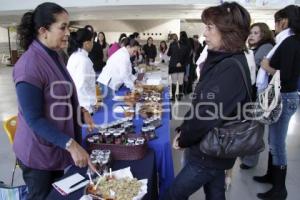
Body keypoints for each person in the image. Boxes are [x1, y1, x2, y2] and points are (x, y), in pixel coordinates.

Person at [163, 2, 251, 200]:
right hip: (214, 152)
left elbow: (205, 114)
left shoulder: (229, 67)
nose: (204, 34)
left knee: (171, 195)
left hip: (208, 154)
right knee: (215, 192)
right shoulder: (224, 60)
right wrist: (183, 127)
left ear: (228, 33)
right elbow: (201, 103)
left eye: (210, 27)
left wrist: (184, 137)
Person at [13, 3, 95, 200]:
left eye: (68, 27)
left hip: (55, 148)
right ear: (43, 31)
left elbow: (60, 95)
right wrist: (71, 145)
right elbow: (34, 119)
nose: (68, 33)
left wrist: (80, 110)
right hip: (37, 154)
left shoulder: (54, 54)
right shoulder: (29, 66)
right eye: (63, 27)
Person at [253, 5, 300, 200]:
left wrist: (267, 67)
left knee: (277, 143)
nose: (276, 26)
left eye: (277, 21)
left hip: (285, 97)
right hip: (283, 96)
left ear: (284, 21)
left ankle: (280, 190)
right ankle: (271, 176)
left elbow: (287, 77)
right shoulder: (289, 41)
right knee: (273, 141)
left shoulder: (290, 42)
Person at [240, 22, 275, 170]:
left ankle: (250, 160)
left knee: (255, 129)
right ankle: (247, 156)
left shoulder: (265, 47)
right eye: (251, 33)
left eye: (255, 33)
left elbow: (251, 68)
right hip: (255, 95)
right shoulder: (257, 48)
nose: (251, 35)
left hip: (259, 97)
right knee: (251, 127)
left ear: (264, 34)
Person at [67, 28, 97, 122]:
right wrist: (89, 106)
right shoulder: (83, 60)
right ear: (86, 43)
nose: (93, 44)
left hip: (77, 104)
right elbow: (81, 86)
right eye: (92, 41)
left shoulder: (74, 56)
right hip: (84, 106)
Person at [167, 33, 189, 101]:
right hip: (181, 66)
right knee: (180, 82)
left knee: (173, 81)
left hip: (173, 65)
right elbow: (186, 56)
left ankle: (173, 97)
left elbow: (168, 54)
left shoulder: (172, 45)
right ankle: (179, 96)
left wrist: (169, 45)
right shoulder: (184, 45)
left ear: (171, 39)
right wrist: (181, 63)